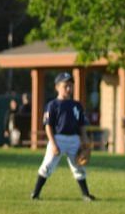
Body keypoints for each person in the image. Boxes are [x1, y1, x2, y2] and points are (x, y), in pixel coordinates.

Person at [30, 72, 96, 201]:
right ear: (57, 87)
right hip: (58, 138)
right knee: (48, 165)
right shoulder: (53, 105)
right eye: (65, 85)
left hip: (74, 139)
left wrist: (85, 140)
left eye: (70, 85)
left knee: (78, 166)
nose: (69, 88)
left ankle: (86, 194)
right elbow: (48, 126)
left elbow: (81, 125)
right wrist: (53, 144)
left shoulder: (76, 105)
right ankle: (35, 193)